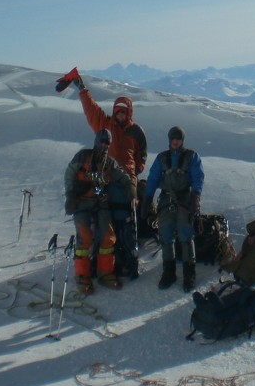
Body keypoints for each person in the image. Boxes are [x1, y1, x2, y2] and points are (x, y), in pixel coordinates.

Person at [57, 67, 147, 280]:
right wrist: (81, 89)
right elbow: (91, 109)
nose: (121, 114)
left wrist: (135, 173)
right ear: (115, 111)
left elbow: (142, 154)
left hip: (125, 183)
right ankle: (102, 264)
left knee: (126, 224)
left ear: (129, 112)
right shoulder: (106, 125)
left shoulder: (136, 131)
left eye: (124, 111)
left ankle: (127, 262)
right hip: (107, 183)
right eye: (118, 110)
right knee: (106, 225)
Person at [63, 129, 134, 294]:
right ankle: (82, 276)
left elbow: (121, 174)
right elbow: (69, 174)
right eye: (102, 141)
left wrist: (129, 185)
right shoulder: (82, 156)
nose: (104, 145)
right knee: (84, 238)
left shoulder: (109, 162)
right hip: (81, 202)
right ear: (96, 141)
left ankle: (106, 273)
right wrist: (70, 194)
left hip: (100, 202)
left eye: (107, 143)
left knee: (108, 237)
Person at [141, 126, 205, 291]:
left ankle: (189, 274)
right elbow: (153, 178)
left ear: (182, 140)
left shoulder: (191, 156)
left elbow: (198, 177)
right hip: (166, 201)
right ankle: (168, 273)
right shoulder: (162, 158)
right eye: (173, 138)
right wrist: (147, 199)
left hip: (185, 201)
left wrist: (195, 197)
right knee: (166, 236)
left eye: (179, 138)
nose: (176, 141)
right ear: (169, 139)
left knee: (186, 236)